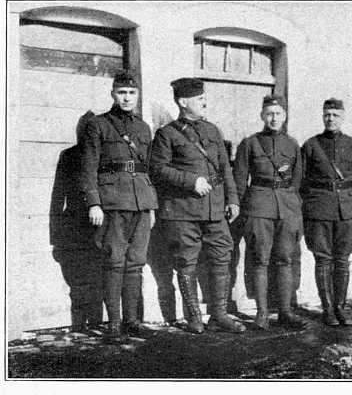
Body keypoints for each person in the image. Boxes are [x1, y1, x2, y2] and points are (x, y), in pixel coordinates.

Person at [149, 77, 245, 334]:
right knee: (186, 262)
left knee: (222, 256)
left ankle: (219, 314)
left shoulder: (213, 130)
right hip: (182, 210)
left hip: (214, 209)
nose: (205, 102)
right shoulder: (166, 134)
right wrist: (191, 181)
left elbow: (226, 168)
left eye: (204, 98)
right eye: (199, 99)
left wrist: (233, 199)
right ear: (183, 102)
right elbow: (157, 169)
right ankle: (193, 318)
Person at [80, 71, 158, 340]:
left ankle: (132, 321)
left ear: (137, 96)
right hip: (112, 202)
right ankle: (114, 324)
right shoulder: (98, 125)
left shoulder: (143, 128)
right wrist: (94, 203)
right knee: (114, 262)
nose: (126, 98)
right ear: (113, 94)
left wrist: (151, 205)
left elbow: (147, 168)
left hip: (141, 202)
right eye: (122, 93)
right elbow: (88, 166)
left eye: (131, 93)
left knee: (136, 263)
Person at [233, 94, 307, 330]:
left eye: (278, 114)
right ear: (262, 116)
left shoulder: (293, 144)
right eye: (269, 114)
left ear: (285, 116)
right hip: (259, 206)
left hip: (287, 208)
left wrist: (293, 208)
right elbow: (240, 181)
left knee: (285, 259)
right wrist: (244, 210)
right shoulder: (250, 143)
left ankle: (285, 312)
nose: (274, 118)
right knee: (260, 260)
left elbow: (297, 181)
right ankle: (262, 313)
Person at [300, 98, 352, 326]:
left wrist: (347, 197)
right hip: (318, 209)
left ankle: (340, 307)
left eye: (335, 115)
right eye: (327, 115)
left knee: (342, 259)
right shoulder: (310, 145)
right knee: (323, 259)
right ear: (322, 116)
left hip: (347, 211)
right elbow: (302, 180)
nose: (331, 119)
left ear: (343, 117)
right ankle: (327, 309)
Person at [50, 111, 103, 333]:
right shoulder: (68, 156)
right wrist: (55, 237)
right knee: (77, 280)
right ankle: (80, 326)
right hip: (74, 228)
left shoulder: (105, 156)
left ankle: (97, 323)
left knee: (99, 277)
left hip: (100, 224)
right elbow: (57, 197)